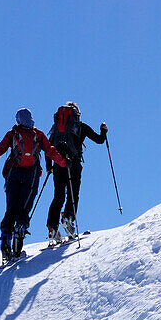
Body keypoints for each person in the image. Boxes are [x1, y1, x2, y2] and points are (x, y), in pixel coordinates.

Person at [0, 108, 66, 261]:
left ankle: (5, 240)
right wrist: (63, 162)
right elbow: (50, 151)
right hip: (31, 176)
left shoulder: (12, 134)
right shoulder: (38, 135)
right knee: (23, 208)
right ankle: (20, 233)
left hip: (13, 173)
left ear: (18, 119)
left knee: (10, 209)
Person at [45, 101, 108, 243]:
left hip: (57, 165)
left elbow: (48, 149)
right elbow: (99, 140)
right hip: (73, 164)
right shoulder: (81, 127)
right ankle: (68, 218)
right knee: (73, 194)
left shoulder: (55, 128)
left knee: (58, 196)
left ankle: (52, 227)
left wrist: (49, 167)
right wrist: (103, 131)